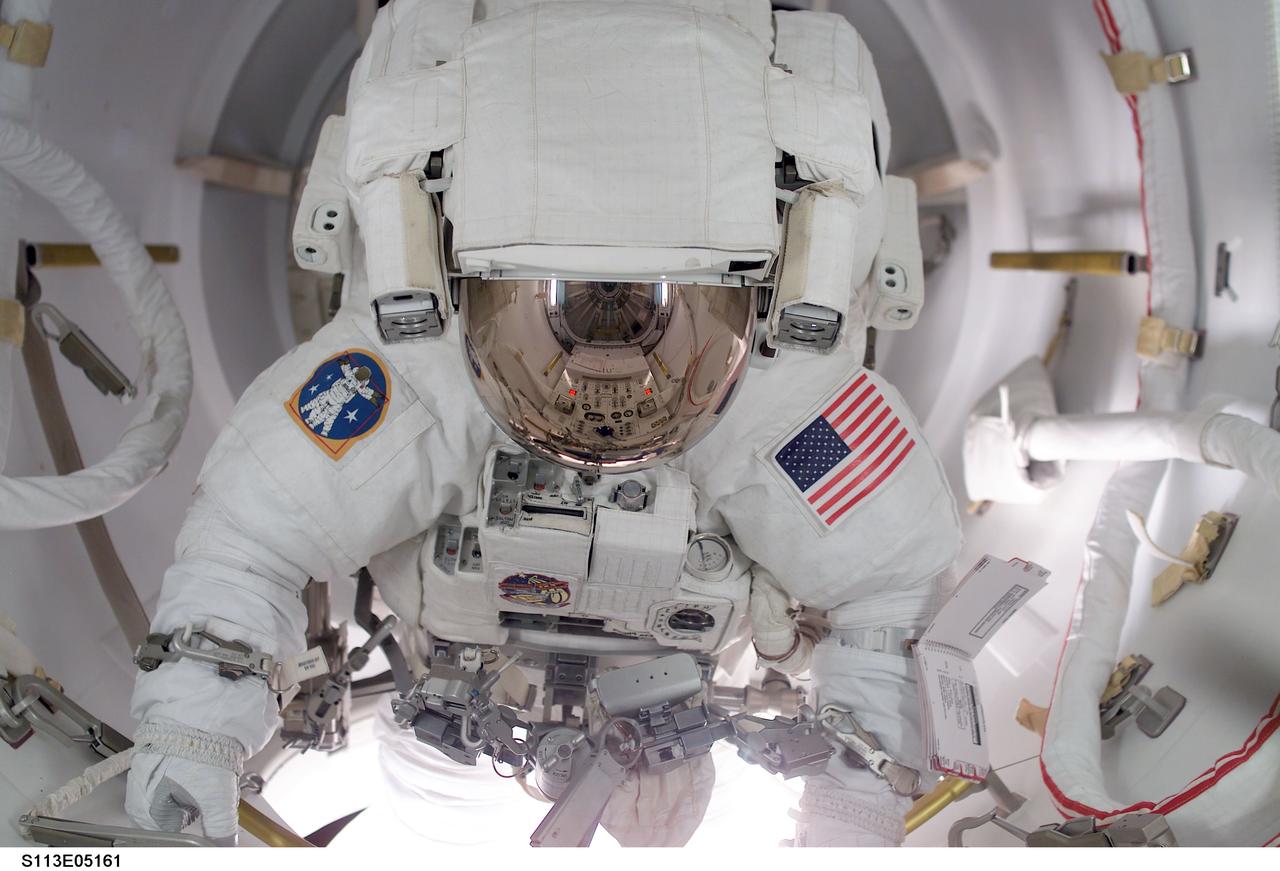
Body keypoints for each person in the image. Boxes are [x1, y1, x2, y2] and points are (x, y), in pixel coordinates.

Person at [127, 0, 961, 847]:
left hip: (613, 698)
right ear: (470, 285)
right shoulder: (423, 364)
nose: (606, 368)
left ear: (749, 295)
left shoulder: (784, 399)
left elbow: (888, 592)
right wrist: (190, 730)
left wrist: (851, 804)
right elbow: (251, 538)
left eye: (642, 320)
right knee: (435, 815)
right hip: (471, 718)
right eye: (573, 315)